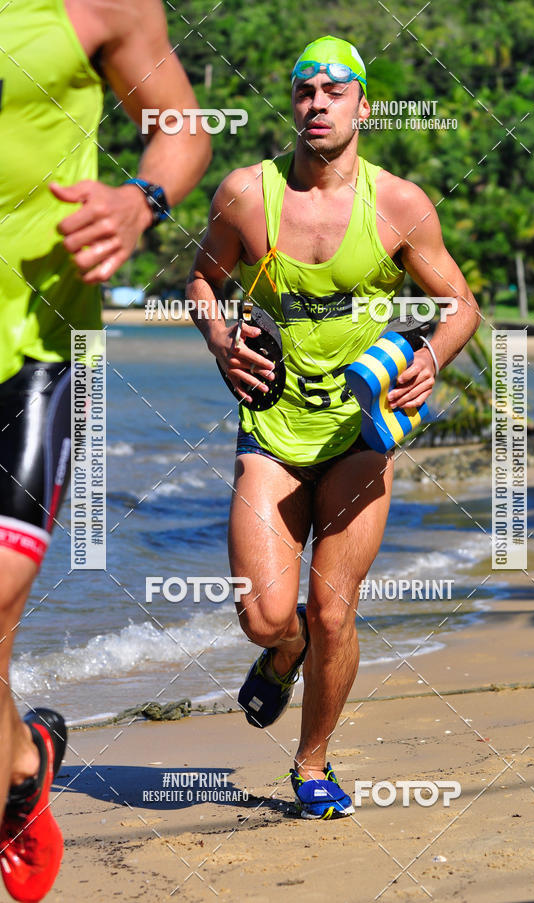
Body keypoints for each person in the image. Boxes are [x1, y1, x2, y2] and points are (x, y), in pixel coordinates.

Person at [187, 35, 479, 819]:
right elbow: (203, 282)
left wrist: (433, 358)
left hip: (363, 428)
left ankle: (312, 764)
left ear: (363, 106)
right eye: (304, 90)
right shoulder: (247, 193)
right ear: (293, 104)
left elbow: (460, 304)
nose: (316, 103)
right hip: (274, 425)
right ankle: (285, 652)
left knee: (335, 607)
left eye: (333, 90)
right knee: (266, 615)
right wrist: (219, 340)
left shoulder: (401, 204)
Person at [0, 1, 211, 898]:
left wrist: (141, 198)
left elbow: (179, 129)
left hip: (33, 354)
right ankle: (22, 761)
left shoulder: (100, 3)